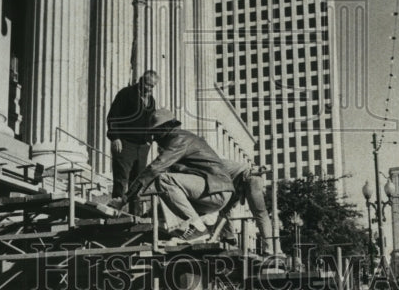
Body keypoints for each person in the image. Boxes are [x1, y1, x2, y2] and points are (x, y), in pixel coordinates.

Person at [117, 108, 274, 248]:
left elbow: (153, 170)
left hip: (221, 188)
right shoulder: (179, 148)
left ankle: (198, 228)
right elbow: (160, 190)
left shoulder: (178, 140)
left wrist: (124, 198)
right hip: (211, 191)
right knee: (165, 193)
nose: (153, 139)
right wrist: (145, 215)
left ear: (165, 128)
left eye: (155, 133)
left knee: (164, 180)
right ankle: (194, 230)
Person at [106, 69, 159, 216]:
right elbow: (113, 116)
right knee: (121, 178)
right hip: (125, 143)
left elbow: (151, 122)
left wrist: (149, 140)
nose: (149, 89)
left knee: (138, 181)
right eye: (148, 85)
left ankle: (135, 214)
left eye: (152, 87)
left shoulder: (151, 101)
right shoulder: (126, 93)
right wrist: (115, 137)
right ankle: (115, 212)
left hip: (142, 146)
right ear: (141, 80)